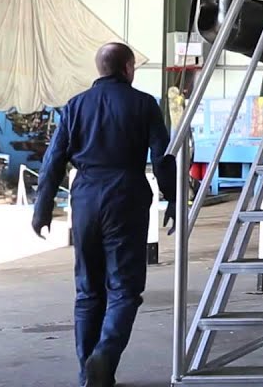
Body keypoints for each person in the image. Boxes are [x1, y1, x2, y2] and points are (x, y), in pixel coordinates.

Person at [31, 42, 176, 387]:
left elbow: (53, 160)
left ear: (100, 69)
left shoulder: (75, 106)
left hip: (85, 198)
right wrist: (173, 197)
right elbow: (161, 156)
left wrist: (43, 208)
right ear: (127, 68)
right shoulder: (144, 104)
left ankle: (89, 374)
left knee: (88, 291)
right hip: (126, 195)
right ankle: (105, 355)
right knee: (124, 290)